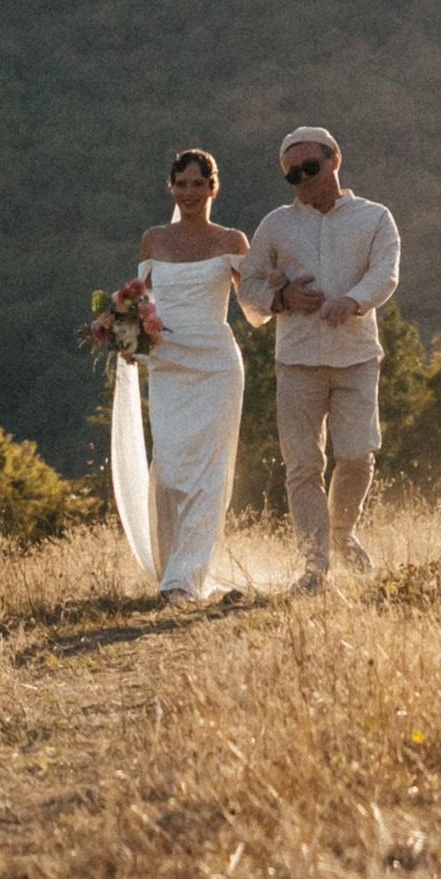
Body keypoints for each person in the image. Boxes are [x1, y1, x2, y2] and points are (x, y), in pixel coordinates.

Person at [240, 128, 401, 589]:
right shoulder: (275, 224)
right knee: (304, 464)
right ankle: (314, 567)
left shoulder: (375, 217)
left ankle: (343, 533)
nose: (303, 179)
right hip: (297, 360)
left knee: (357, 455)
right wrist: (283, 297)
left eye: (310, 168)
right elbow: (248, 286)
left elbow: (385, 272)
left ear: (334, 161)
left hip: (356, 356)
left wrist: (352, 300)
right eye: (293, 175)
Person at [122, 148, 262, 602]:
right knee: (169, 470)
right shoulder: (154, 240)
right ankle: (174, 566)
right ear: (171, 187)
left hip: (218, 366)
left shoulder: (231, 241)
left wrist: (278, 286)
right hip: (168, 366)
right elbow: (139, 302)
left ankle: (183, 579)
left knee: (208, 473)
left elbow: (254, 310)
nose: (189, 193)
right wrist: (120, 329)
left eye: (197, 185)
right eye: (181, 184)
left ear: (212, 188)